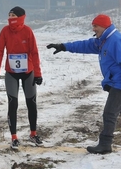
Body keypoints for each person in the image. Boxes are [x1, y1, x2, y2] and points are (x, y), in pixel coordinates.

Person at [47, 14, 121, 154]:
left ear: (104, 26)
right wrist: (63, 46)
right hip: (115, 82)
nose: (93, 29)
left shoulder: (115, 40)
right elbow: (84, 45)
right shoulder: (103, 41)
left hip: (119, 84)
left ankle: (105, 144)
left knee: (109, 114)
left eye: (95, 26)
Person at [0, 6, 43, 150]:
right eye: (9, 15)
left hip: (28, 72)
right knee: (12, 103)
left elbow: (34, 52)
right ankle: (14, 137)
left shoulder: (27, 31)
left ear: (21, 17)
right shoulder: (5, 31)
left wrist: (38, 74)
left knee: (31, 102)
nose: (11, 18)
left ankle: (33, 133)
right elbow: (0, 51)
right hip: (11, 73)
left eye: (13, 15)